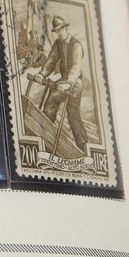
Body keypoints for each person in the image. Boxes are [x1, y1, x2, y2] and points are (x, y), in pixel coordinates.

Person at [27, 16, 89, 154]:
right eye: (57, 31)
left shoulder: (76, 45)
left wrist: (69, 83)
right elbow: (51, 60)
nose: (59, 33)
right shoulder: (58, 43)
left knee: (73, 117)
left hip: (74, 83)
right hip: (63, 81)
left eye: (61, 30)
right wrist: (42, 74)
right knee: (51, 104)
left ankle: (84, 149)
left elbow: (76, 67)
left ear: (66, 28)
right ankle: (45, 138)